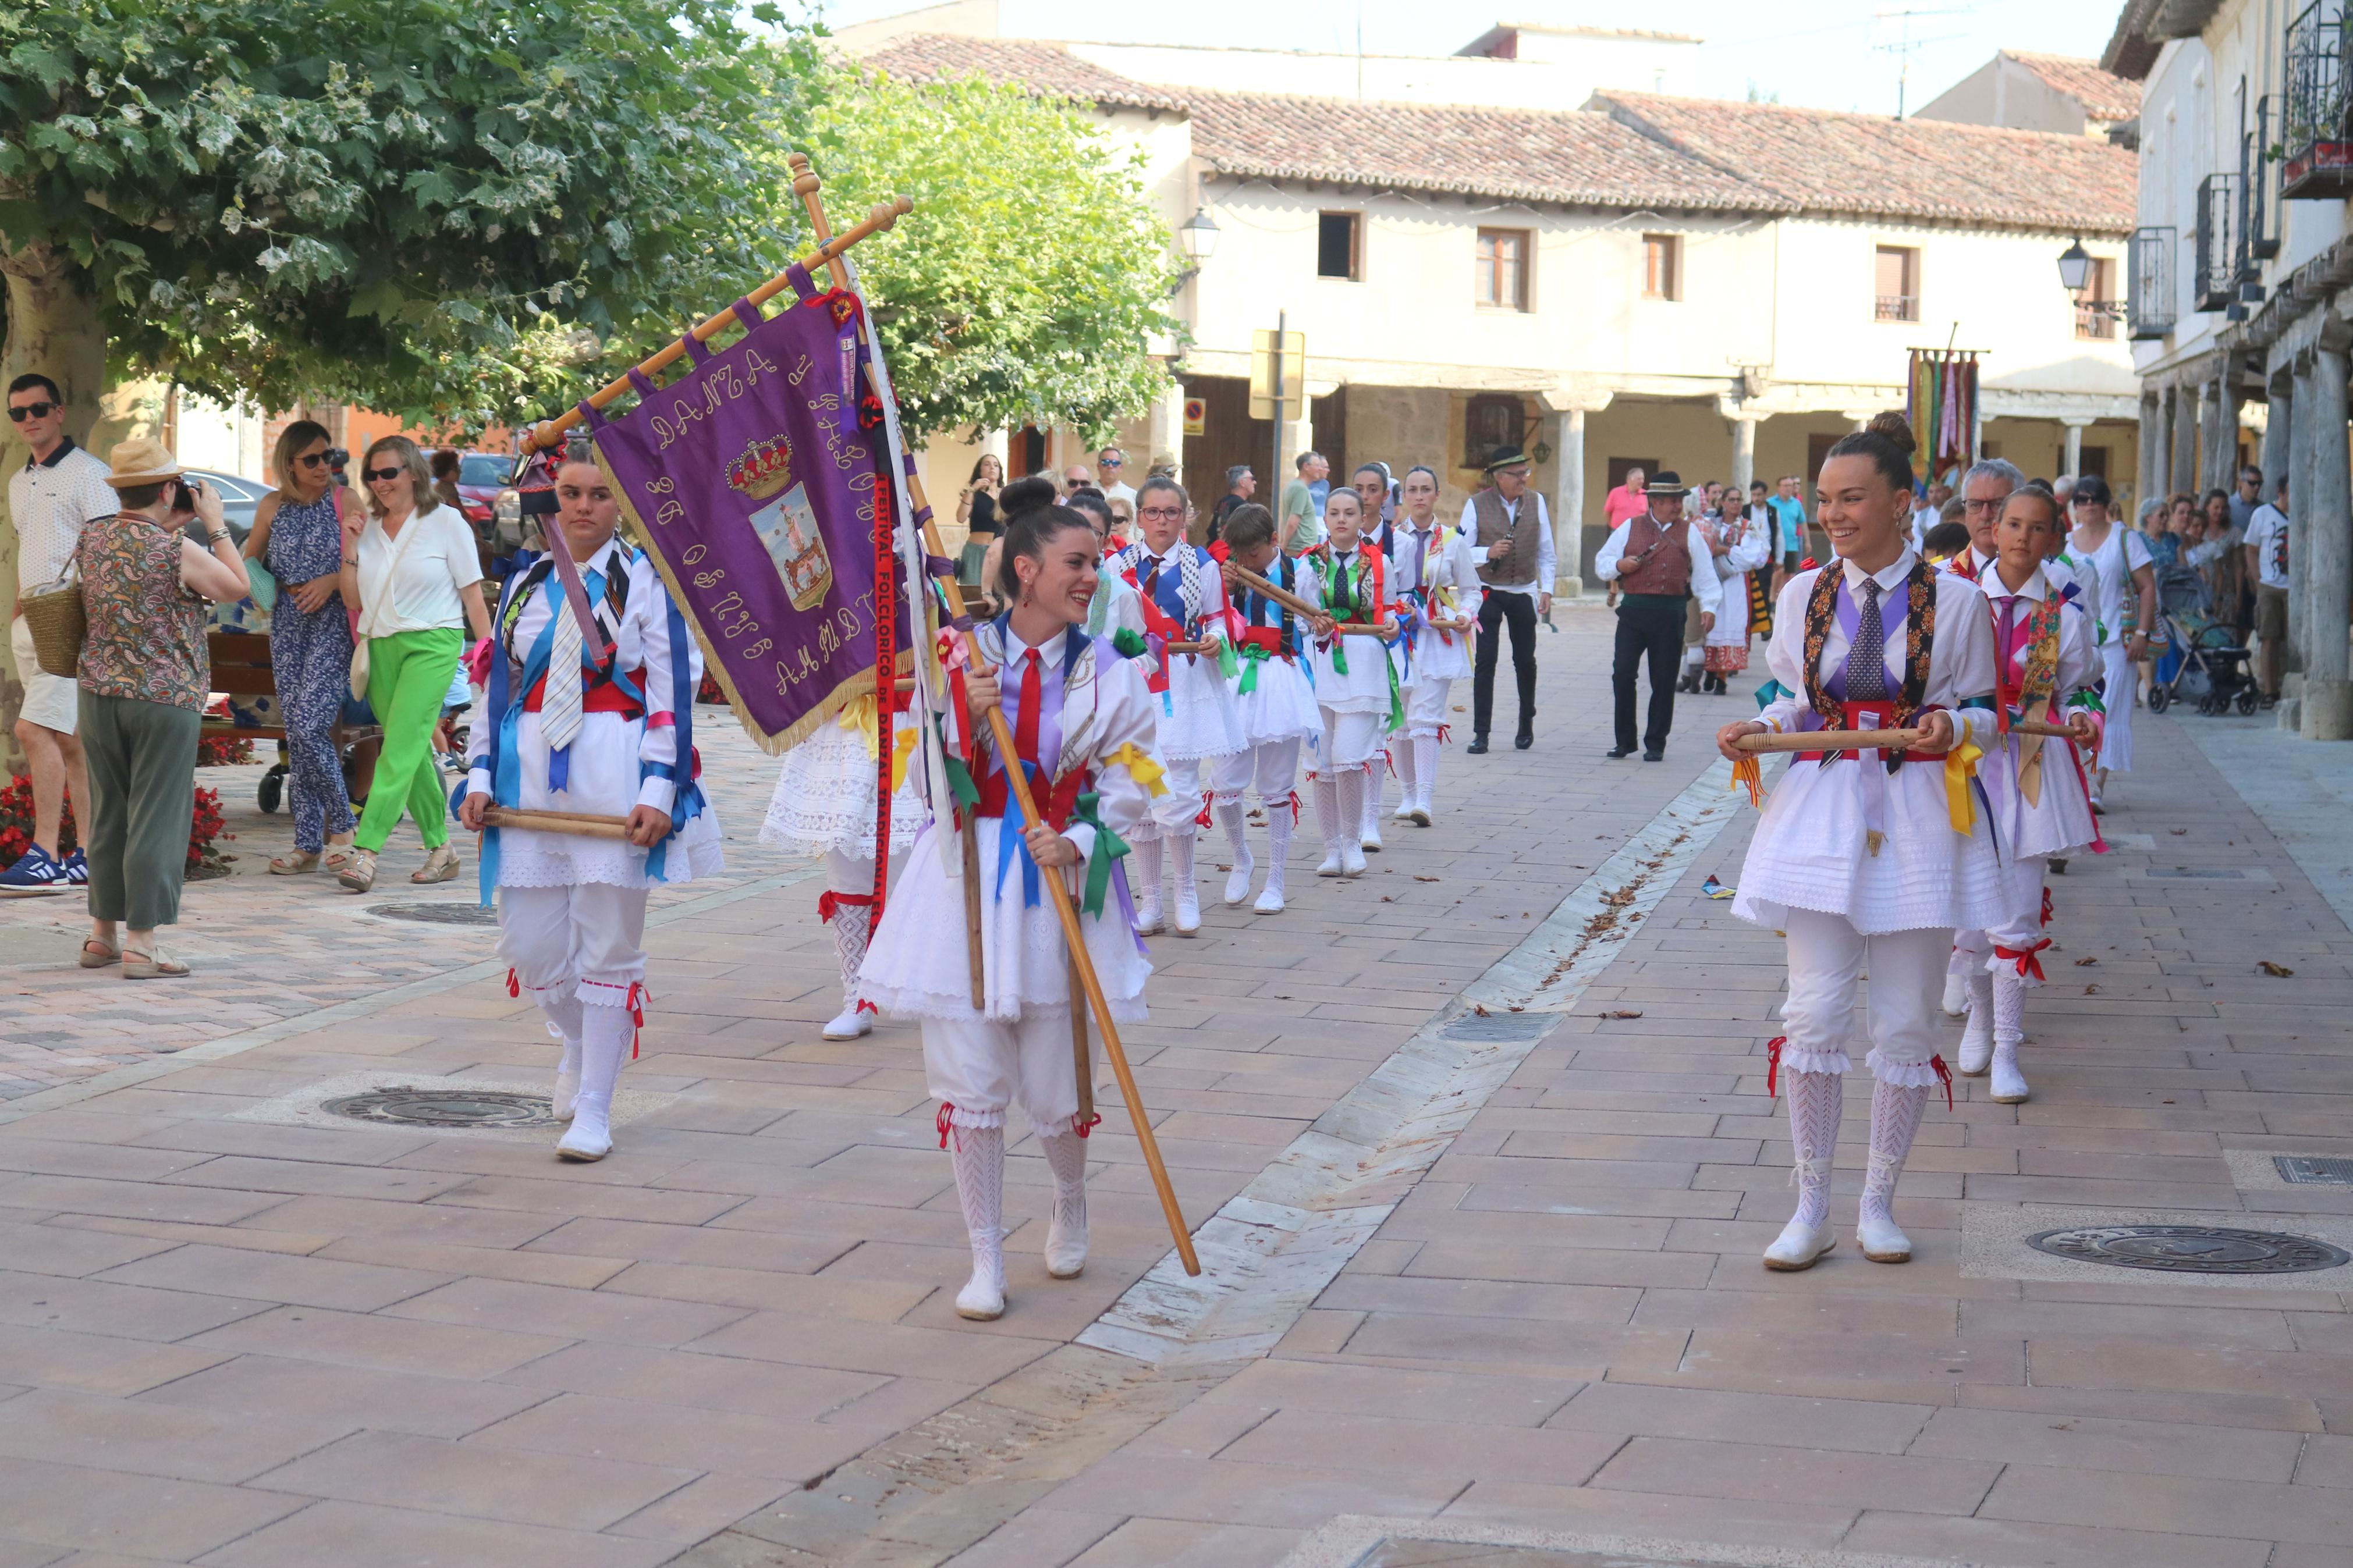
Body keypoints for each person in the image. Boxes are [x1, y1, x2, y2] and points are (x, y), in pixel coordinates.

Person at [858, 490, 1167, 1321]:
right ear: (1024, 570)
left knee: (1055, 1068)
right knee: (970, 1074)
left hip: (1055, 877)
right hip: (964, 876)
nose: (1090, 575)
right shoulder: (956, 656)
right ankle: (984, 1252)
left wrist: (1078, 836)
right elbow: (922, 783)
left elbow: (1139, 775)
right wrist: (962, 713)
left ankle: (1068, 1199)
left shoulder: (1110, 669)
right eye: (1076, 561)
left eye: (1096, 561)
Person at [1715, 411, 2001, 1272]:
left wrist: (1950, 721)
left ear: (1900, 503)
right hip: (1821, 810)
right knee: (1811, 1009)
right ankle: (1809, 1203)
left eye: (1852, 499)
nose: (1833, 515)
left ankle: (1877, 1202)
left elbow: (1986, 707)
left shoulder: (1954, 602)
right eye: (1825, 501)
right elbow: (1795, 698)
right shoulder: (1804, 593)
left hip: (1915, 814)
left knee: (1906, 1020)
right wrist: (1760, 726)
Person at [460, 447, 719, 1161]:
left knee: (608, 945)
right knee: (532, 948)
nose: (582, 507)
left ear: (620, 505)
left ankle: (597, 1108)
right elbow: (497, 687)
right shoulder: (526, 580)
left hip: (614, 778)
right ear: (551, 501)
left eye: (600, 495)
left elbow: (672, 692)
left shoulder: (645, 582)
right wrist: (479, 773)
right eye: (570, 493)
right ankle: (578, 1040)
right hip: (527, 783)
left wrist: (659, 789)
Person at [73, 440, 251, 976]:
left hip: (98, 693)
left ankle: (102, 935)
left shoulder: (93, 536)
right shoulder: (175, 549)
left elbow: (134, 565)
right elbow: (238, 586)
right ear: (170, 488)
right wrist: (215, 525)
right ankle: (142, 943)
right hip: (163, 698)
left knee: (110, 812)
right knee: (155, 817)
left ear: (121, 488)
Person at [1950, 485, 2103, 1107]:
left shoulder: (2060, 616)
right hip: (1960, 768)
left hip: (2028, 771)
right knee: (1965, 918)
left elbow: (2082, 688)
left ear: (2052, 539)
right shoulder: (1957, 601)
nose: (2017, 536)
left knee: (2013, 915)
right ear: (1992, 528)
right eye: (2009, 523)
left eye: (2034, 528)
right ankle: (1976, 1020)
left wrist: (2082, 717)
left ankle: (2007, 1050)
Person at [335, 435, 492, 892]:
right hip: (381, 645)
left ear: (413, 473)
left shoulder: (447, 522)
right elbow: (352, 598)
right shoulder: (366, 528)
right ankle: (441, 848)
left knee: (399, 748)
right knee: (414, 746)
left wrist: (489, 660)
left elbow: (472, 596)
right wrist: (349, 546)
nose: (380, 483)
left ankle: (365, 852)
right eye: (372, 475)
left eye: (389, 473)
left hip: (433, 642)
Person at [1110, 477, 1242, 937]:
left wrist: (1215, 639)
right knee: (1141, 791)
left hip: (1183, 685)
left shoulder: (1200, 564)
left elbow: (1216, 618)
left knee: (1179, 788)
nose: (1161, 521)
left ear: (1185, 516)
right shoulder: (1116, 565)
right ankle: (1152, 901)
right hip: (1135, 685)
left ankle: (1185, 891)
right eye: (1152, 512)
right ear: (1139, 515)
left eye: (1171, 512)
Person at [2, 374, 113, 896]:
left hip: (74, 627)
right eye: (18, 412)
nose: (29, 420)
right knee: (69, 739)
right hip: (32, 624)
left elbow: (109, 551)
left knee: (31, 730)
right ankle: (91, 853)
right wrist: (19, 608)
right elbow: (35, 545)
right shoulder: (17, 481)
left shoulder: (92, 475)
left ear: (60, 411)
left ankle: (45, 852)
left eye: (38, 409)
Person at [242, 419, 363, 875]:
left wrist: (332, 581)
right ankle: (308, 842)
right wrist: (262, 586)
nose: (322, 466)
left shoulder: (344, 500)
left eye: (327, 457)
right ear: (289, 464)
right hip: (289, 623)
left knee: (311, 725)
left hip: (334, 621)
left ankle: (344, 826)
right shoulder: (272, 506)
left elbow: (369, 559)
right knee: (298, 733)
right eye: (311, 459)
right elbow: (249, 557)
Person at [1211, 503, 1327, 912]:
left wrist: (1321, 628)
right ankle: (1241, 856)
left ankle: (1276, 878)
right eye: (1239, 555)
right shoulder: (1227, 573)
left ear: (1274, 541)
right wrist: (1224, 589)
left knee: (1277, 783)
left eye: (1253, 555)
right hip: (1238, 676)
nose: (1245, 562)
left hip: (1281, 675)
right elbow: (1212, 622)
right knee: (1225, 785)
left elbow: (1314, 625)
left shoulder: (1301, 573)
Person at [1301, 485, 1399, 877]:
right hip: (1320, 660)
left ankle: (1351, 841)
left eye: (1349, 513)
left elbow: (1389, 608)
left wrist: (1393, 624)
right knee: (1323, 761)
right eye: (1334, 512)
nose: (1341, 519)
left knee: (1348, 756)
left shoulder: (1380, 562)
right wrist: (1313, 621)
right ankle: (1330, 848)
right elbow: (1299, 613)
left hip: (1363, 661)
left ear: (1362, 519)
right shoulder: (1308, 563)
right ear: (1324, 518)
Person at [1593, 470, 1720, 760]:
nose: (1677, 506)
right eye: (1671, 501)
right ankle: (1624, 741)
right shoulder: (1629, 527)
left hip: (1671, 612)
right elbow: (1602, 563)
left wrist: (1709, 607)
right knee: (1623, 673)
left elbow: (1705, 575)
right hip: (1634, 611)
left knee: (1663, 680)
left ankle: (1656, 743)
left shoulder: (1691, 533)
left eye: (1679, 500)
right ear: (1656, 502)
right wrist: (1619, 564)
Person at [1386, 465, 1479, 823]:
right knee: (1403, 719)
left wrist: (1467, 614)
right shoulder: (1392, 539)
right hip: (1402, 635)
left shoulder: (1453, 540)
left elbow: (1472, 591)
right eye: (1413, 490)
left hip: (1438, 633)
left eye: (1426, 489)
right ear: (1404, 496)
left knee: (1426, 716)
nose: (1420, 496)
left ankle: (1425, 796)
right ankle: (1407, 795)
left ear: (1437, 495)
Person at [1459, 446, 1555, 753]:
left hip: (1523, 589)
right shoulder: (1475, 504)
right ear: (1499, 477)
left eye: (1525, 473)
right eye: (1517, 474)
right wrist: (1486, 552)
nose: (1523, 479)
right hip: (1488, 590)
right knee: (1486, 662)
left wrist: (1547, 589)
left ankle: (1526, 720)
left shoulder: (1536, 502)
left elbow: (1546, 551)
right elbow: (1460, 552)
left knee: (1525, 661)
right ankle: (1481, 732)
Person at [2065, 474, 2153, 803]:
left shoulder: (2125, 539)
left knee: (2111, 713)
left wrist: (2142, 633)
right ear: (2074, 507)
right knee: (2077, 711)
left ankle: (2095, 785)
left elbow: (2147, 585)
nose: (2089, 505)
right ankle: (2080, 780)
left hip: (2118, 641)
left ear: (2106, 504)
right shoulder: (2065, 542)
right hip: (2076, 643)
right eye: (2082, 499)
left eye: (2095, 498)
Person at [1698, 493, 1772, 693]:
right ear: (1722, 503)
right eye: (1731, 500)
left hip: (1736, 584)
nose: (1736, 503)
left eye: (1739, 500)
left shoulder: (1747, 527)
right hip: (1711, 580)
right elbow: (1701, 550)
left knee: (1731, 623)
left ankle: (1722, 678)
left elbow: (1755, 558)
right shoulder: (1710, 525)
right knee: (1710, 626)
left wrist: (1726, 551)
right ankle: (1710, 671)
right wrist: (1718, 552)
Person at [2245, 476, 2290, 706]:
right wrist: (2259, 579)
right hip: (2270, 585)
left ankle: (2289, 684)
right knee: (2268, 637)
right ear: (2281, 492)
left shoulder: (2304, 513)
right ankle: (2270, 690)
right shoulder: (2263, 514)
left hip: (2296, 586)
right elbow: (2251, 549)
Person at [956, 452, 1003, 599]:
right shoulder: (974, 494)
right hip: (975, 552)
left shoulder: (1006, 495)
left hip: (999, 552)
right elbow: (961, 517)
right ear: (980, 470)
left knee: (999, 595)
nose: (992, 468)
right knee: (973, 596)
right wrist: (972, 489)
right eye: (987, 464)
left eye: (996, 465)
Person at [1279, 451, 1327, 557]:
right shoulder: (1300, 489)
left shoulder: (1292, 486)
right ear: (1306, 466)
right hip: (1301, 549)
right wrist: (1283, 545)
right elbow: (1293, 520)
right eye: (1317, 465)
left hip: (1299, 548)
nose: (1320, 469)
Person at [1768, 475, 1808, 575]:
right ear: (1779, 487)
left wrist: (1807, 542)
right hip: (1774, 546)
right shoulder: (1770, 503)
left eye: (1791, 485)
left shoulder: (1796, 504)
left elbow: (1803, 523)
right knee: (1776, 575)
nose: (1788, 488)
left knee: (1790, 575)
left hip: (1792, 545)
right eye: (1785, 485)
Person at [1209, 465, 1255, 544]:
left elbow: (1211, 531)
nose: (1255, 482)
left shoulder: (1223, 502)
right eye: (1252, 479)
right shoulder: (1243, 507)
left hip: (1218, 552)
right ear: (1242, 482)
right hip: (1234, 554)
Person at [1602, 466, 1649, 530]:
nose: (1642, 481)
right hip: (1618, 531)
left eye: (1643, 479)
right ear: (1629, 480)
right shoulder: (1616, 492)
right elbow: (1607, 512)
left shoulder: (1646, 494)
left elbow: (1650, 515)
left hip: (1639, 533)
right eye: (1639, 479)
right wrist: (1613, 526)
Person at [1095, 446, 1135, 511]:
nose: (1110, 466)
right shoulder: (1087, 491)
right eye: (1105, 462)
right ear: (1098, 466)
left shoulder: (1132, 496)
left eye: (1115, 463)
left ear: (1121, 468)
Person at [430, 448, 465, 516]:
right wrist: (473, 526)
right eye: (456, 468)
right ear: (445, 470)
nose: (460, 471)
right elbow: (461, 514)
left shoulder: (437, 486)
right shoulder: (448, 488)